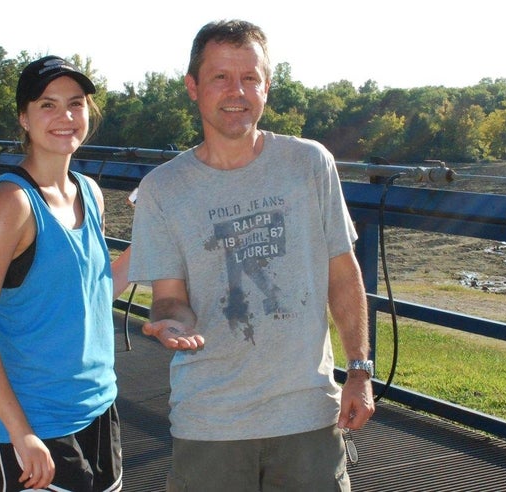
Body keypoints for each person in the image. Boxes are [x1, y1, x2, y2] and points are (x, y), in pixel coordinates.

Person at [128, 19, 375, 491]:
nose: (236, 91)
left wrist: (359, 371)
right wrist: (173, 322)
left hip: (307, 415)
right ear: (193, 86)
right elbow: (169, 297)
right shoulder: (162, 188)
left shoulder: (310, 163)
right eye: (220, 76)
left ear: (267, 88)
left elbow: (343, 276)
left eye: (251, 78)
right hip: (209, 423)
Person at [0, 55, 130, 492]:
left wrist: (152, 237)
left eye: (75, 103)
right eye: (47, 104)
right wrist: (21, 432)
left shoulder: (89, 192)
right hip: (35, 419)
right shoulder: (11, 203)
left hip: (97, 405)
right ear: (24, 118)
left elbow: (94, 292)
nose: (65, 116)